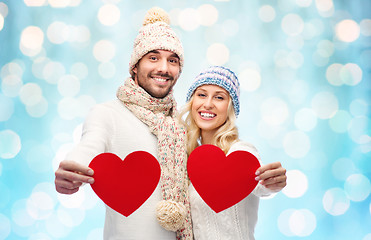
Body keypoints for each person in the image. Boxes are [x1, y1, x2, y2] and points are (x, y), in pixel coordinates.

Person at [54, 7, 192, 240]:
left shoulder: (183, 126)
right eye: (153, 57)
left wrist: (267, 186)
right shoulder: (107, 114)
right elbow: (88, 147)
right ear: (135, 66)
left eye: (173, 60)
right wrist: (70, 170)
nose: (164, 68)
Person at [179, 66, 287, 240]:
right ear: (192, 102)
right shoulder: (188, 158)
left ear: (230, 108)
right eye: (201, 94)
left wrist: (273, 183)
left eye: (219, 97)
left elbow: (259, 186)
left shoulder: (240, 151)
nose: (208, 104)